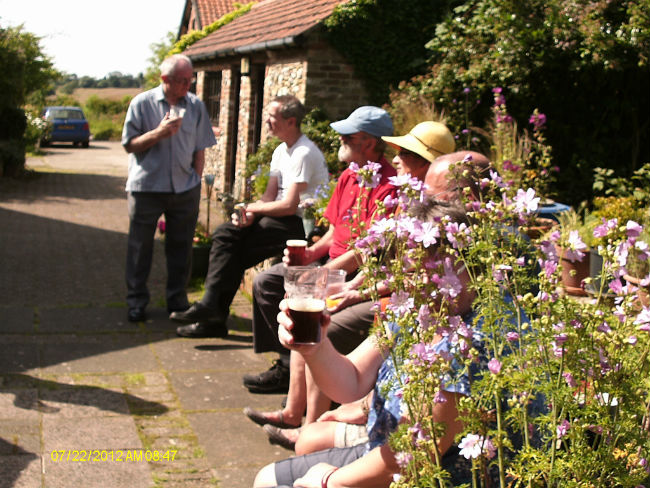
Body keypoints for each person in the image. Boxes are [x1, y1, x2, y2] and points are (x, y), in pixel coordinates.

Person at [244, 122, 459, 446]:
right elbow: (358, 241)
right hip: (351, 273)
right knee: (274, 284)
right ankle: (291, 407)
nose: (395, 157)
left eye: (404, 153)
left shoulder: (402, 194)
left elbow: (391, 263)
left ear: (427, 164)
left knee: (315, 321)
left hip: (382, 292)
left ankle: (309, 428)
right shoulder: (357, 178)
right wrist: (317, 262)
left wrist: (347, 286)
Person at [253, 198, 478, 488]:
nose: (412, 283)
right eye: (406, 272)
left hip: (427, 475)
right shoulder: (416, 311)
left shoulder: (469, 341)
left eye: (425, 270)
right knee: (267, 479)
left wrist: (328, 479)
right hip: (382, 446)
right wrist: (314, 348)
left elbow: (416, 452)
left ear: (459, 262)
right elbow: (352, 380)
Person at [242, 106, 399, 394]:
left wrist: (321, 273)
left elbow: (368, 250)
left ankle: (302, 379)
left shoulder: (390, 188)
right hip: (330, 262)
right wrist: (310, 256)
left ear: (369, 141)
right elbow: (333, 231)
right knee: (267, 282)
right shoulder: (349, 176)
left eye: (347, 135)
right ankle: (287, 364)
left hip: (355, 272)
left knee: (299, 297)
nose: (340, 138)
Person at [171, 95, 329, 338]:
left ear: (291, 121)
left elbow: (289, 206)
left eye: (272, 117)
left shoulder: (304, 153)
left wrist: (254, 210)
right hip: (278, 218)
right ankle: (211, 310)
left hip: (300, 224)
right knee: (226, 233)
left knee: (232, 253)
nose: (267, 121)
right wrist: (248, 213)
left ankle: (211, 314)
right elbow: (269, 197)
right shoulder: (280, 151)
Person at [122, 54, 217, 323]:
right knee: (140, 248)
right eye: (183, 81)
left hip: (184, 189)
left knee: (181, 247)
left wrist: (196, 182)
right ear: (165, 79)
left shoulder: (196, 106)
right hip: (147, 188)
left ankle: (177, 301)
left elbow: (200, 149)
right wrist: (158, 133)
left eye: (191, 80)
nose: (188, 85)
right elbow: (129, 144)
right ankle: (136, 302)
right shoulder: (141, 103)